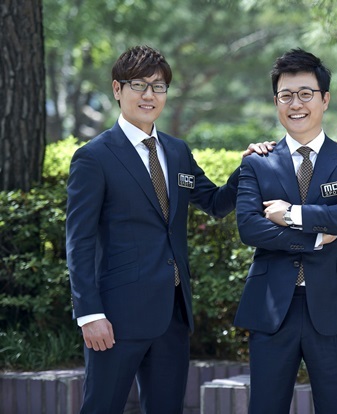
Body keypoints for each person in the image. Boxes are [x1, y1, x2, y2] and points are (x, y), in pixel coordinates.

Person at [66, 45, 266, 414]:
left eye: (158, 87)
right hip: (116, 318)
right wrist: (89, 314)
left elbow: (215, 203)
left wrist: (249, 166)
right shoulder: (94, 157)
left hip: (173, 316)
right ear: (117, 89)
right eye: (139, 85)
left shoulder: (176, 152)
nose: (149, 95)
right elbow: (79, 241)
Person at [234, 48, 337, 414]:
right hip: (271, 306)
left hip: (333, 303)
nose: (296, 104)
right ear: (276, 102)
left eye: (306, 94)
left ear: (325, 99)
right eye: (286, 95)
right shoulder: (258, 162)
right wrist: (316, 237)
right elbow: (249, 227)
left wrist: (291, 214)